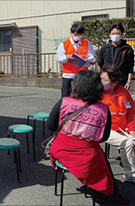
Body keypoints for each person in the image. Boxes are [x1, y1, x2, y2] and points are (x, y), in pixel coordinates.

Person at [47, 70, 128, 205]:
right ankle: (109, 194)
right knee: (101, 161)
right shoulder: (103, 109)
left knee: (98, 159)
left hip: (61, 150)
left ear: (77, 85)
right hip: (88, 155)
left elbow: (50, 125)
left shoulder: (64, 102)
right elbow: (103, 137)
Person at [100, 65, 135, 184]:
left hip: (124, 128)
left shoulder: (123, 92)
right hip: (106, 129)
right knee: (128, 143)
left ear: (115, 82)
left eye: (105, 80)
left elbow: (131, 112)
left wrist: (131, 128)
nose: (102, 82)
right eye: (101, 79)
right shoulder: (97, 93)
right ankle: (131, 174)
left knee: (131, 141)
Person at [57, 23, 96, 97]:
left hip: (83, 75)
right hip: (68, 75)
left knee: (83, 97)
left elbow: (92, 56)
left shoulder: (87, 43)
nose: (77, 36)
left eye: (79, 34)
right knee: (66, 97)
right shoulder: (64, 44)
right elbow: (59, 59)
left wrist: (91, 60)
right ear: (71, 33)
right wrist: (67, 57)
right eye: (75, 34)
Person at [98, 23, 134, 90]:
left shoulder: (127, 49)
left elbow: (130, 66)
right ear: (109, 34)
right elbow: (100, 62)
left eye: (117, 33)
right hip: (107, 80)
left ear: (122, 34)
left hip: (121, 81)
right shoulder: (105, 48)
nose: (115, 35)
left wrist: (128, 81)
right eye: (113, 33)